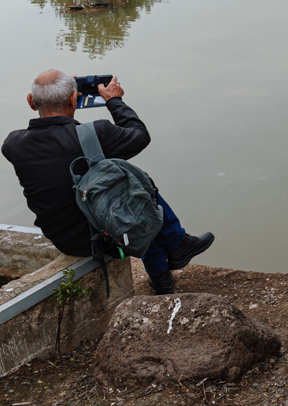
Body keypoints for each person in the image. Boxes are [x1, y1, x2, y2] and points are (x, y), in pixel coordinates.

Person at [3, 71, 214, 295]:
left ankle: (162, 279)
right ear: (74, 99)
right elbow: (140, 135)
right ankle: (176, 245)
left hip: (64, 239)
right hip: (104, 240)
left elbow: (56, 148)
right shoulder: (96, 133)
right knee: (135, 188)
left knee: (120, 192)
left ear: (30, 102)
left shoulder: (13, 144)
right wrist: (113, 100)